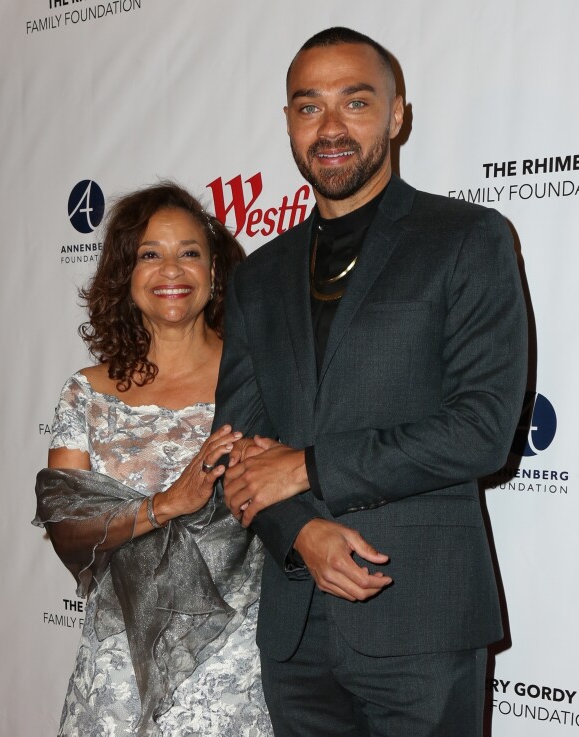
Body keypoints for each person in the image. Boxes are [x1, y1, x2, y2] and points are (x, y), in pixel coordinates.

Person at [213, 27, 528, 737]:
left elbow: (483, 428)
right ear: (288, 122)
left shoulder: (467, 238)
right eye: (307, 106)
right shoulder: (257, 277)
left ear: (396, 114)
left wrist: (313, 466)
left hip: (423, 616)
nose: (330, 127)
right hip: (296, 632)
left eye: (355, 102)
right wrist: (301, 535)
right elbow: (234, 448)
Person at [33, 182, 273, 737]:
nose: (172, 269)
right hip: (117, 665)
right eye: (150, 254)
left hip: (233, 662)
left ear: (215, 273)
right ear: (127, 276)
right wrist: (166, 504)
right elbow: (68, 531)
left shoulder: (257, 379)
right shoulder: (87, 392)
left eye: (190, 252)